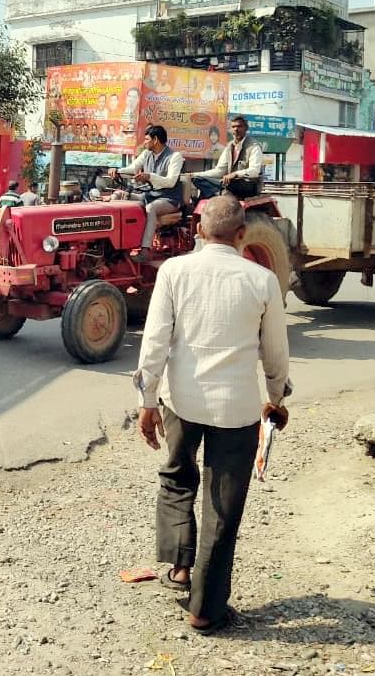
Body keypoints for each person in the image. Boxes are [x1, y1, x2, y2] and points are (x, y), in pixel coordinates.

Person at [132, 195, 291, 636]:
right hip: (236, 410)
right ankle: (205, 609)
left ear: (199, 231)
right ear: (243, 235)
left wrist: (147, 401)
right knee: (223, 508)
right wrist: (276, 397)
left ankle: (181, 567)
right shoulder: (262, 281)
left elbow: (155, 342)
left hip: (180, 401)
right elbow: (275, 352)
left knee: (177, 478)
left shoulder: (174, 271)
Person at [115, 125, 185, 258]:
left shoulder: (175, 156)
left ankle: (145, 250)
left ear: (156, 140)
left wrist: (149, 176)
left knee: (151, 208)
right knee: (119, 195)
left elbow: (170, 182)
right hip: (149, 195)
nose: (144, 142)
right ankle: (120, 246)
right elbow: (133, 168)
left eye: (147, 139)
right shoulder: (147, 153)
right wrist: (117, 171)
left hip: (169, 199)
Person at [194, 116, 264, 200]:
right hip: (230, 184)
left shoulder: (254, 146)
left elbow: (254, 171)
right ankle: (222, 195)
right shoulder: (229, 147)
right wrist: (195, 174)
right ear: (230, 130)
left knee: (217, 186)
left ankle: (224, 195)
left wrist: (235, 174)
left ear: (246, 128)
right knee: (197, 179)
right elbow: (220, 171)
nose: (236, 129)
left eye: (239, 126)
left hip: (248, 186)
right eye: (233, 127)